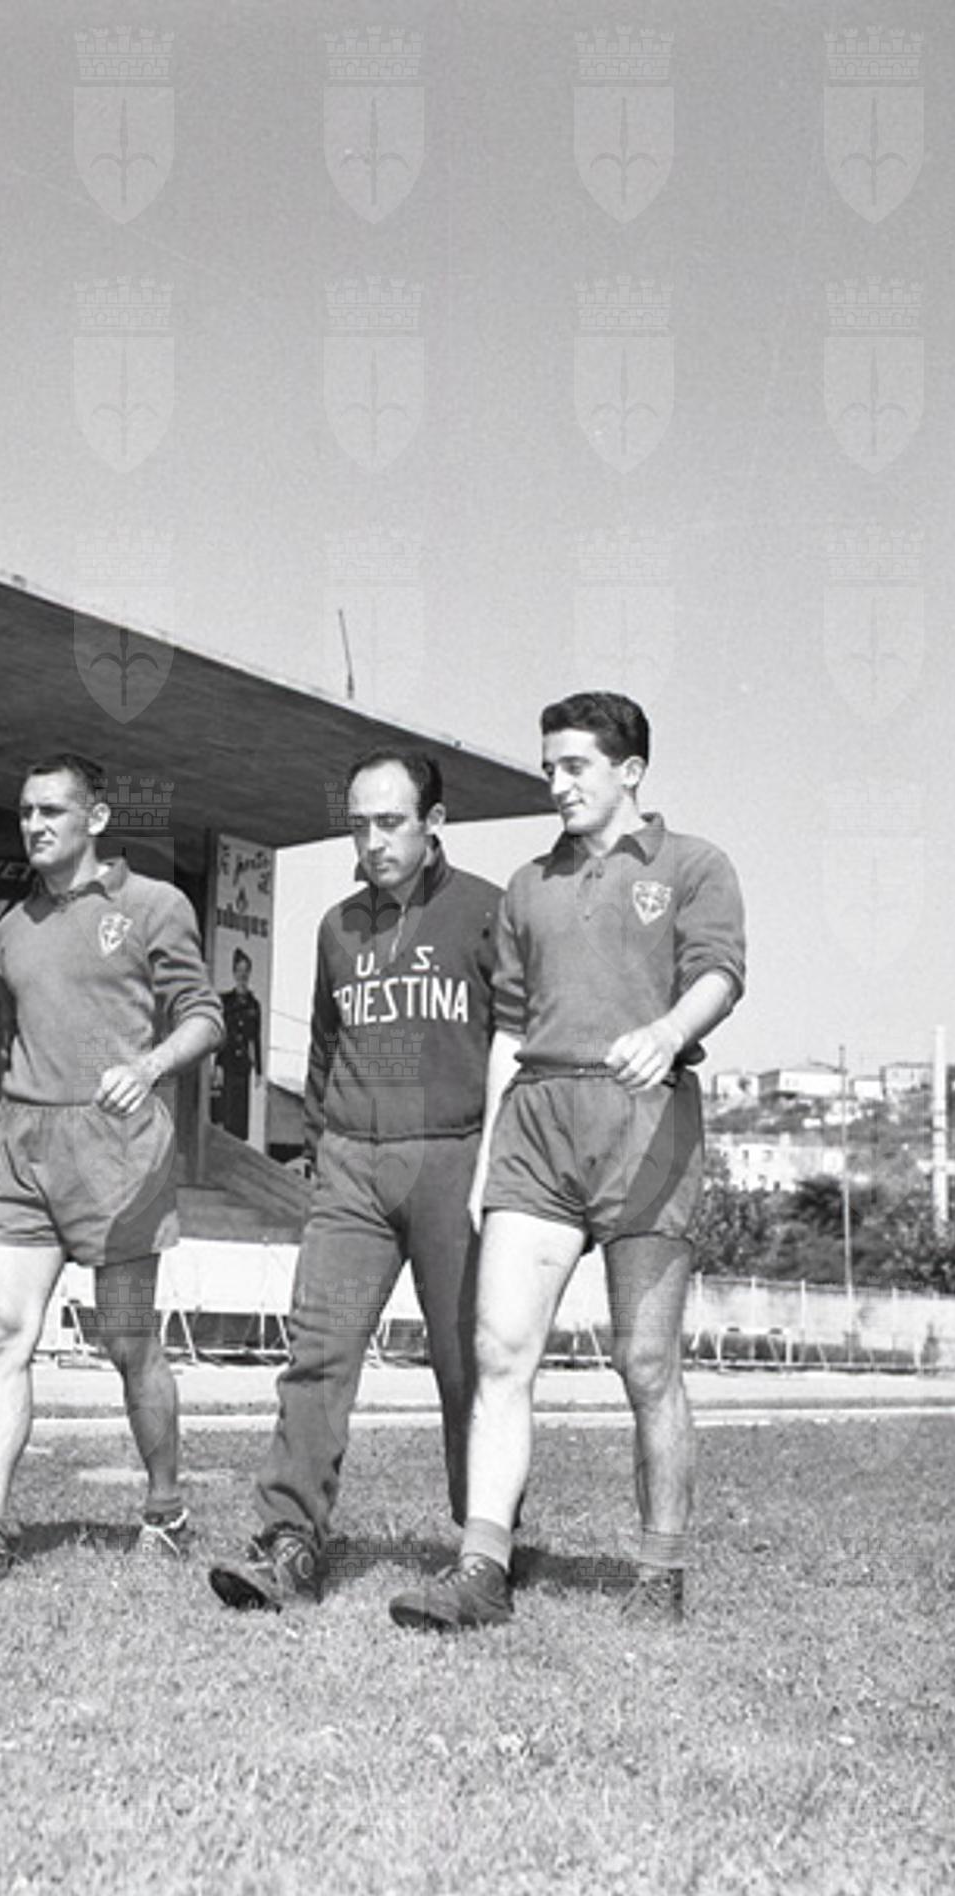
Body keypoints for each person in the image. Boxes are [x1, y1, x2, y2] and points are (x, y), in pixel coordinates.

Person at [388, 692, 744, 1632]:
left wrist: (667, 1034)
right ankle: (481, 1570)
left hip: (645, 1130)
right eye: (548, 766)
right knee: (500, 1352)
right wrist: (485, 1162)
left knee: (645, 1363)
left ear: (630, 771)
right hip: (536, 1131)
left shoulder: (694, 865)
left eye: (575, 766)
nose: (556, 783)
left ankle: (660, 1573)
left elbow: (719, 974)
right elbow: (507, 1029)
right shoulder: (526, 885)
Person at [0, 753, 223, 1580]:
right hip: (23, 1147)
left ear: (95, 818)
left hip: (119, 1154)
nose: (34, 825)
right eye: (25, 812)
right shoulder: (9, 928)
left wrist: (147, 1067)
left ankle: (166, 1506)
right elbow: (20, 1039)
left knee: (127, 1342)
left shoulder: (153, 905)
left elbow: (204, 1017)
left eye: (51, 811)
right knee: (3, 1335)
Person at [209, 749, 500, 1610]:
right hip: (352, 1169)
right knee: (317, 1355)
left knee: (466, 1363)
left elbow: (517, 1043)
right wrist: (323, 1144)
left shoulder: (488, 911)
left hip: (454, 1157)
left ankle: (485, 1547)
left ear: (432, 822)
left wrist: (497, 1163)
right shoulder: (337, 926)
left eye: (390, 822)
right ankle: (289, 1543)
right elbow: (324, 1047)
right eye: (359, 824)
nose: (372, 841)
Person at [212, 947, 262, 1140]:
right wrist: (217, 1064)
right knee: (228, 1113)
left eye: (246, 971)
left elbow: (256, 1037)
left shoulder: (254, 1005)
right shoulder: (226, 1001)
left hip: (243, 1066)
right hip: (228, 1062)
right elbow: (221, 1034)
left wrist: (258, 1070)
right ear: (234, 973)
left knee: (241, 1116)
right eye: (239, 970)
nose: (243, 975)